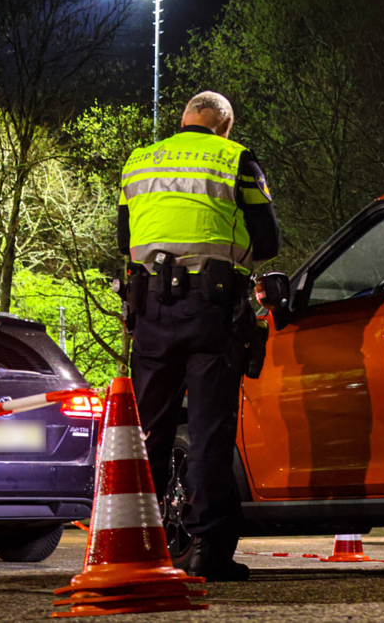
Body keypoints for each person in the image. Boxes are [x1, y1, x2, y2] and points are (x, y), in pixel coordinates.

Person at [117, 91, 280, 582]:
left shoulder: (139, 163)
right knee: (209, 429)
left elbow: (125, 240)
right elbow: (268, 241)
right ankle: (207, 547)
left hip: (149, 310)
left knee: (149, 431)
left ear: (185, 120)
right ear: (223, 125)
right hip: (210, 308)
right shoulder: (235, 159)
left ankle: (134, 542)